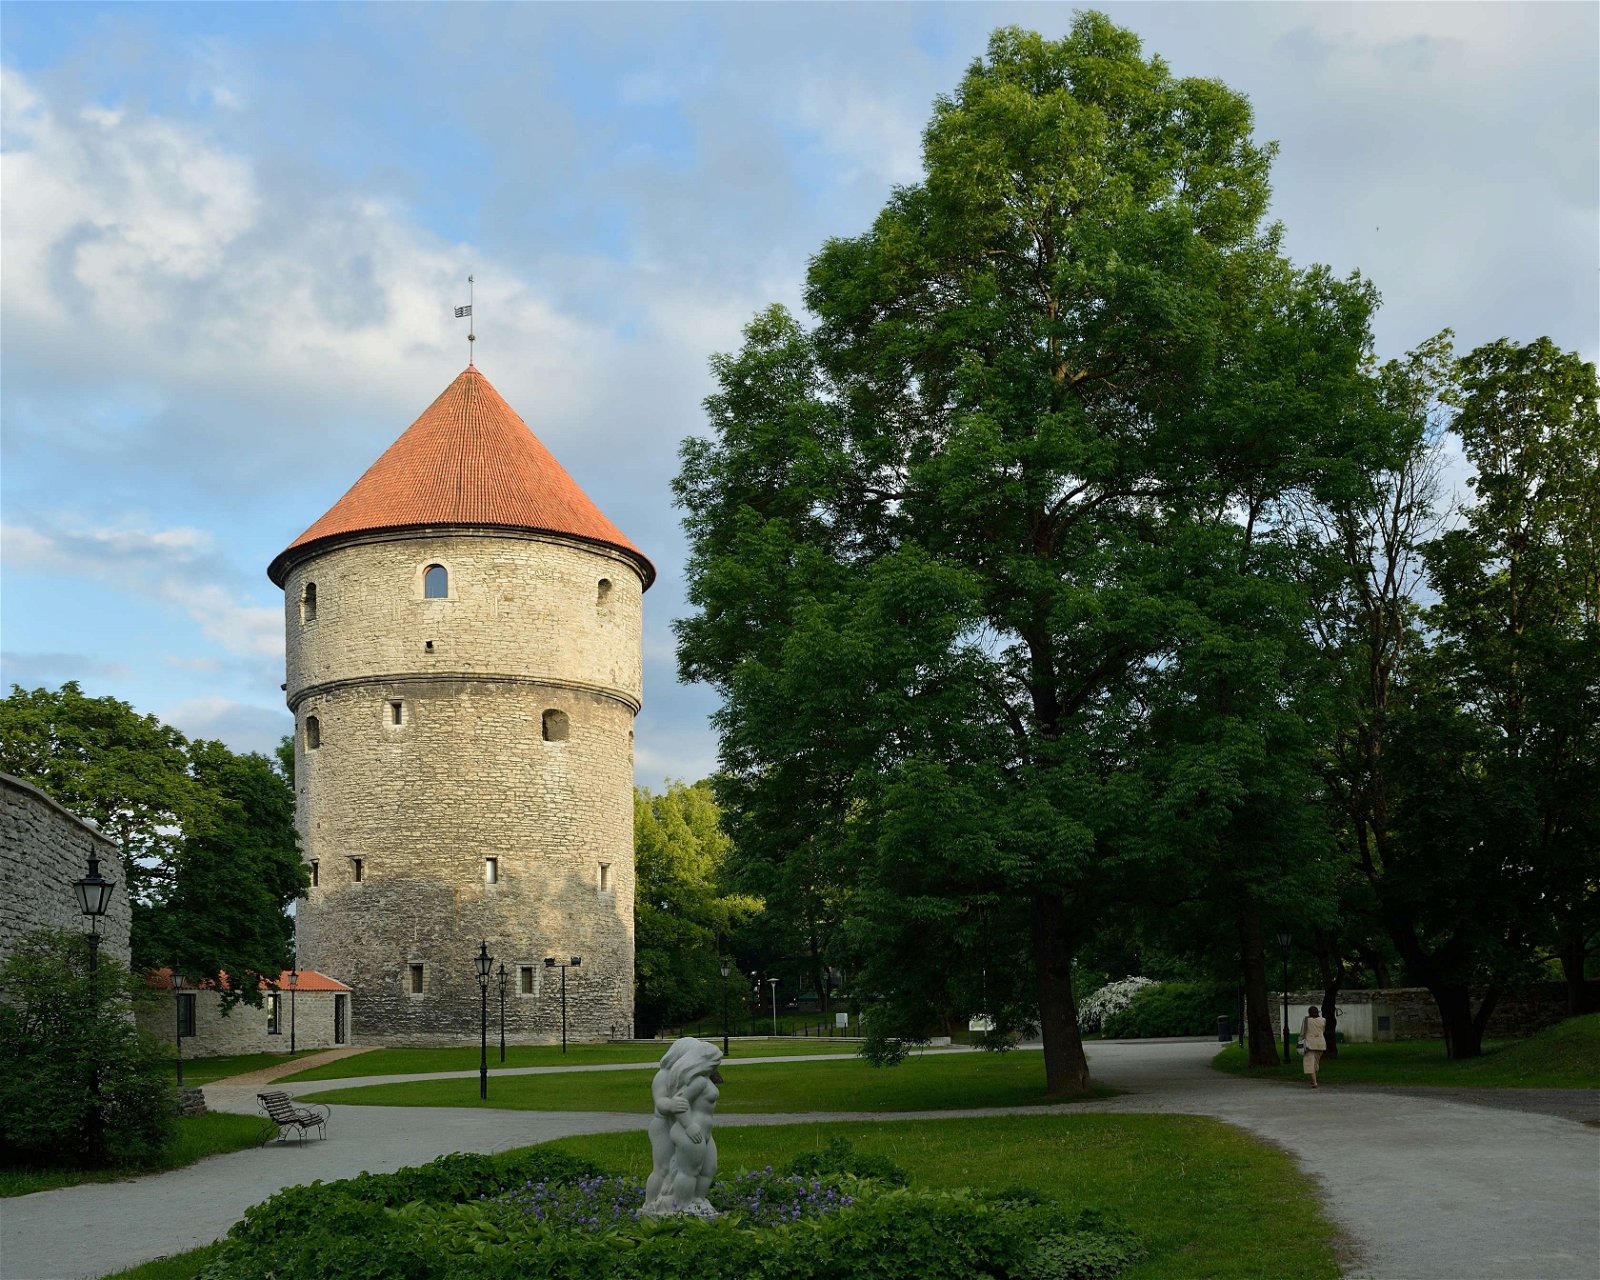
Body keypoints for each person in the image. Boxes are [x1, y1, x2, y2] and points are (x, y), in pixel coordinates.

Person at [643, 1037, 724, 1216]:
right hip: (663, 1124)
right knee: (663, 1169)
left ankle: (693, 1200)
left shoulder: (694, 1077)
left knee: (705, 1168)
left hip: (690, 1125)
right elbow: (661, 1103)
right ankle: (652, 1203)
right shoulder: (663, 1076)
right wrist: (672, 1106)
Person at [1299, 1005, 1328, 1088]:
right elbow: (1323, 1030)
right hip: (1321, 1043)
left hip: (1310, 1044)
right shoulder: (1323, 1020)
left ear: (1309, 1012)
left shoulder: (1306, 1020)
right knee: (1316, 1063)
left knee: (1309, 1063)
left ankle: (1314, 1082)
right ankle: (1313, 1080)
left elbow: (1302, 1032)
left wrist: (1300, 1041)